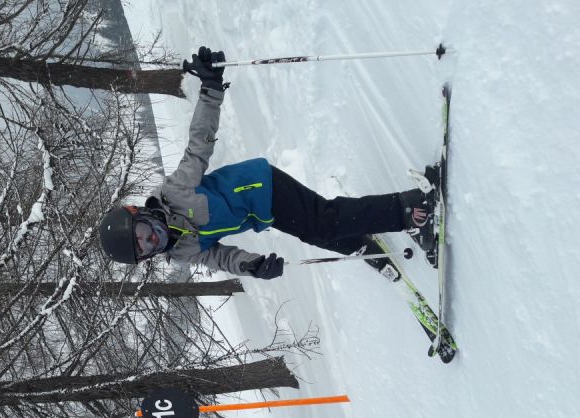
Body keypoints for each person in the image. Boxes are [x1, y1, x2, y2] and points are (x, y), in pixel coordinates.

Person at [98, 46, 439, 282]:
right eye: (143, 249)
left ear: (137, 214)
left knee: (322, 221)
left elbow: (198, 146)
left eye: (141, 234)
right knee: (316, 230)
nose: (150, 241)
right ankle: (359, 242)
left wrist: (211, 90)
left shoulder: (174, 194)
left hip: (259, 186)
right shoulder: (182, 250)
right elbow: (222, 257)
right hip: (263, 211)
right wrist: (255, 267)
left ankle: (410, 209)